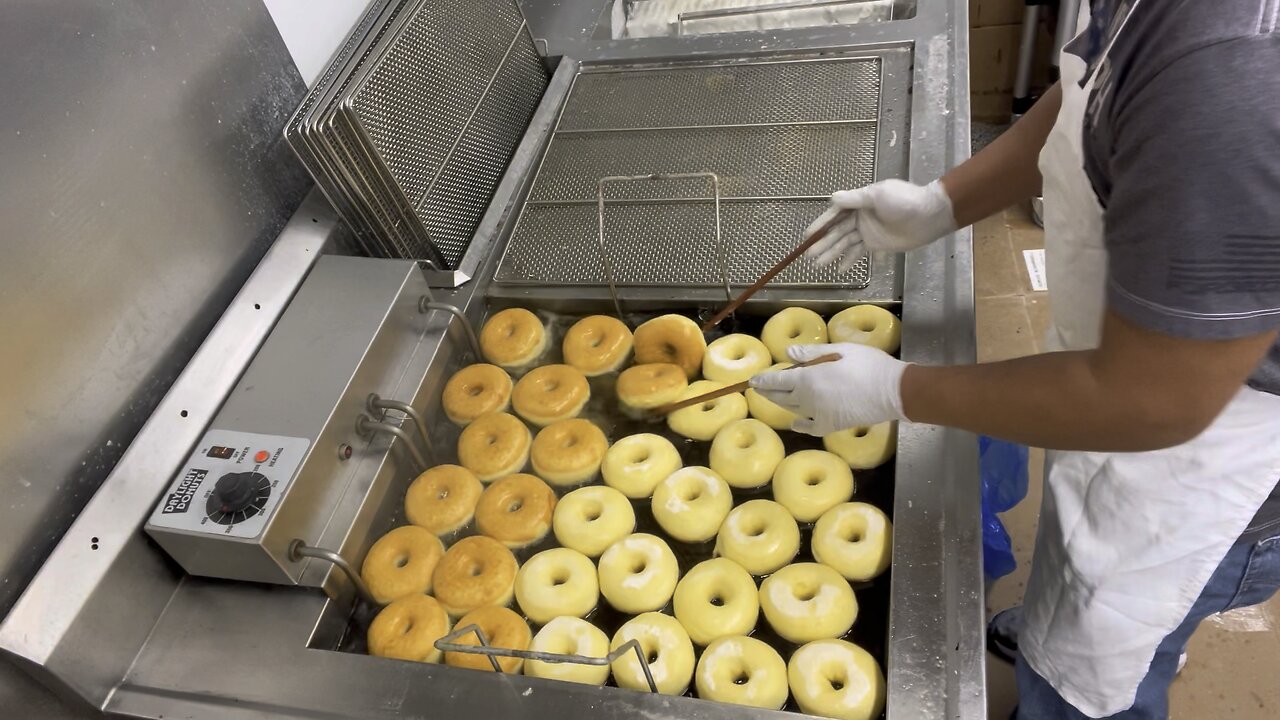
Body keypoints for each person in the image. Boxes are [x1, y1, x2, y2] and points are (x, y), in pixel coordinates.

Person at [749, 2, 1280, 718]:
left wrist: (898, 389)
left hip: (1197, 470)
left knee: (1102, 675)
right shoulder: (1178, 34)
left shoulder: (1232, 71)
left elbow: (1153, 400)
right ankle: (1046, 632)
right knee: (1074, 563)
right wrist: (942, 202)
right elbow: (1098, 88)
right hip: (1129, 380)